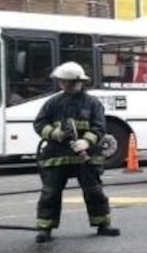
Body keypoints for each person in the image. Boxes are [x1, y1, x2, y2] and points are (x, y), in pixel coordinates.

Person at [32, 61, 119, 243]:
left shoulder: (92, 104)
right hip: (57, 155)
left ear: (80, 82)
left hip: (86, 156)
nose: (66, 85)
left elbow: (99, 126)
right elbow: (39, 123)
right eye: (64, 81)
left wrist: (86, 141)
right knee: (50, 193)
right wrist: (55, 134)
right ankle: (45, 228)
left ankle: (102, 224)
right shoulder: (53, 103)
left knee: (94, 191)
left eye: (70, 82)